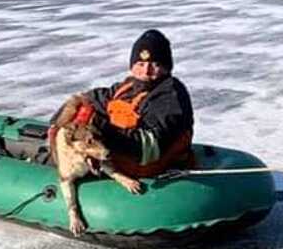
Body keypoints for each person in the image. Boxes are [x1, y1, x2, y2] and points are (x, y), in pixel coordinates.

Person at [72, 29, 194, 177]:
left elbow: (148, 149)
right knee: (78, 108)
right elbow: (97, 98)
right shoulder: (129, 86)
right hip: (114, 159)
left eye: (154, 64)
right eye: (141, 64)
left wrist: (102, 128)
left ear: (166, 67)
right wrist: (70, 109)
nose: (146, 71)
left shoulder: (171, 96)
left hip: (146, 168)